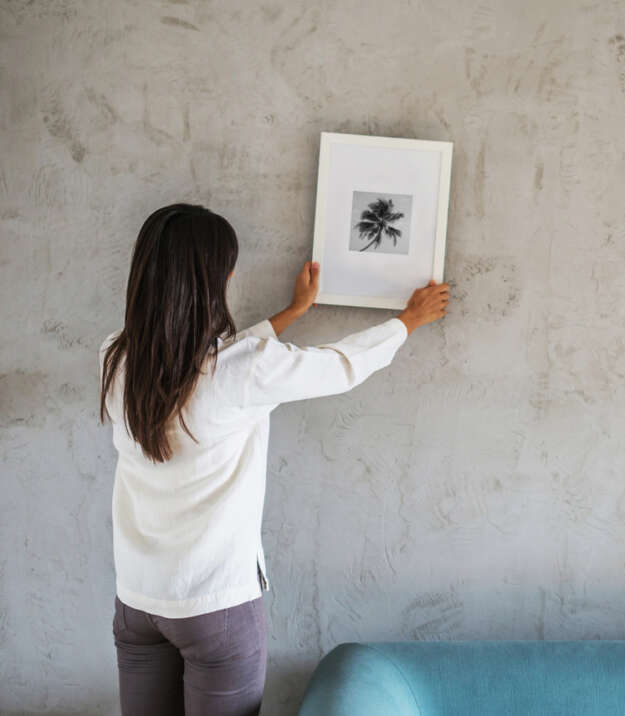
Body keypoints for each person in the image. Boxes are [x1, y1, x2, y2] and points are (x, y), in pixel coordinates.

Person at [99, 203, 449, 715]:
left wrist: (290, 314)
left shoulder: (117, 357)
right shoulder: (242, 372)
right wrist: (408, 321)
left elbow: (209, 365)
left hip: (138, 603)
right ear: (216, 277)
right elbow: (343, 366)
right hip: (214, 607)